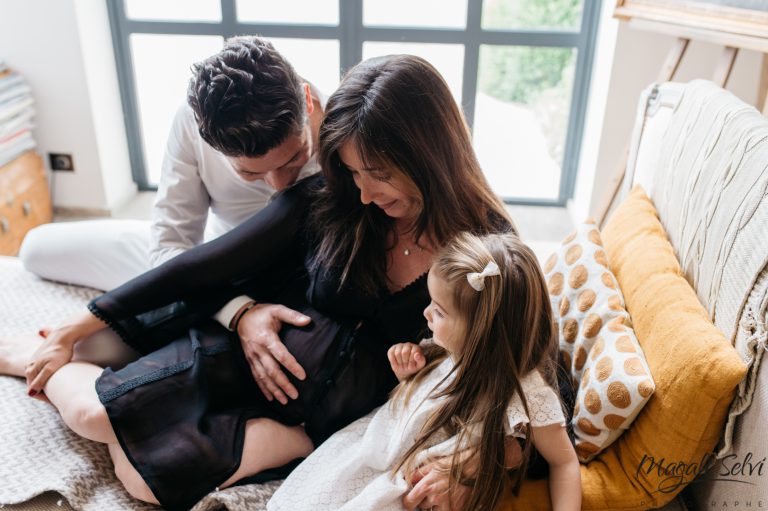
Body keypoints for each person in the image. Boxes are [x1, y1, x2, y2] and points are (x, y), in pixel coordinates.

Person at [0, 55, 517, 511]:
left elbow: (534, 371)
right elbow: (197, 264)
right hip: (243, 353)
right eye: (353, 172)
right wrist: (76, 326)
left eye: (375, 173)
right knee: (96, 414)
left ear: (426, 153)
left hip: (309, 421)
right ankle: (31, 353)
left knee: (143, 480)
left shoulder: (490, 247)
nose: (362, 194)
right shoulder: (334, 197)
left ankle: (62, 359)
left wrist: (480, 452)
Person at [268, 232, 582, 511]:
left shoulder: (527, 394)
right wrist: (410, 377)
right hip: (377, 444)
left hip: (408, 475)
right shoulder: (450, 349)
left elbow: (563, 461)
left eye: (439, 311)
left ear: (481, 332)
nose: (426, 313)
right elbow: (428, 403)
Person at [19, 36, 325, 292]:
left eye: (294, 158)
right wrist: (235, 311)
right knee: (37, 248)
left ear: (307, 101)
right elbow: (170, 243)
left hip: (304, 274)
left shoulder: (348, 125)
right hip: (215, 261)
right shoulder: (191, 124)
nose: (280, 185)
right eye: (250, 173)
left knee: (100, 346)